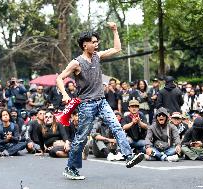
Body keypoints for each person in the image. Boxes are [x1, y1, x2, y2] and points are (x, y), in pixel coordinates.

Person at [56, 22, 144, 180]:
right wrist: (64, 94)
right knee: (81, 138)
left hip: (102, 101)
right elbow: (59, 78)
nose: (97, 44)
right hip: (86, 105)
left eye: (97, 42)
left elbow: (117, 49)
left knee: (117, 126)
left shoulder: (97, 56)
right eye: (94, 42)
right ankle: (71, 168)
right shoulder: (76, 63)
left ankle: (129, 156)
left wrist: (115, 30)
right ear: (85, 45)